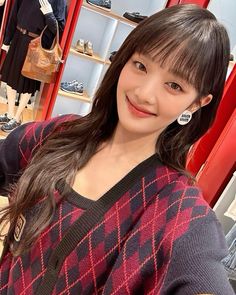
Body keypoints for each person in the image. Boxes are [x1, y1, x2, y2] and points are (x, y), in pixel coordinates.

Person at [0, 4, 234, 294]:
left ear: (197, 103)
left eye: (173, 85)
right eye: (141, 66)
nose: (144, 94)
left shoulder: (177, 208)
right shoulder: (61, 134)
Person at [0, 0, 66, 133]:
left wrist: (49, 14)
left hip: (36, 43)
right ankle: (10, 114)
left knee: (27, 82)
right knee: (9, 77)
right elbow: (14, 14)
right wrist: (7, 40)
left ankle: (17, 118)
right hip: (18, 37)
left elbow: (58, 29)